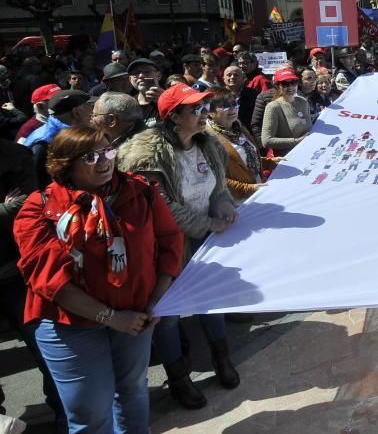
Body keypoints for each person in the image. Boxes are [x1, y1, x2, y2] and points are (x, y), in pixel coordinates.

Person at [14, 126, 184, 432]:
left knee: (132, 389)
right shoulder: (39, 209)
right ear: (65, 164)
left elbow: (170, 241)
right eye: (90, 156)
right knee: (90, 414)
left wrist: (157, 300)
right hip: (71, 325)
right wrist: (112, 317)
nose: (104, 161)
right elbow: (52, 281)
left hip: (137, 314)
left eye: (108, 150)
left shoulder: (140, 190)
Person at [116, 84, 241, 410]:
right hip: (163, 247)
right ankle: (179, 379)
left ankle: (222, 359)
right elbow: (162, 206)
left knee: (210, 302)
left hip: (203, 240)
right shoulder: (146, 155)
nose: (203, 114)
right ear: (173, 116)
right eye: (195, 109)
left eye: (204, 108)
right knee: (167, 315)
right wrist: (207, 225)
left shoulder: (207, 144)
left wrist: (224, 203)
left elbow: (218, 186)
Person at [0, 137, 63, 431]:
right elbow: (10, 210)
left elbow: (27, 208)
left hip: (17, 272)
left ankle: (66, 413)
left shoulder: (13, 153)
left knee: (48, 347)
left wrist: (10, 209)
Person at [205, 88, 269, 202]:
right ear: (209, 112)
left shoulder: (238, 126)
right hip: (236, 202)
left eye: (235, 103)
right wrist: (247, 188)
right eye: (225, 105)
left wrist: (270, 162)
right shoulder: (207, 138)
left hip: (258, 192)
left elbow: (243, 159)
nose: (232, 108)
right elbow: (213, 178)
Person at [24, 90, 95, 188]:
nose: (94, 112)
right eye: (90, 106)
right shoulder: (45, 142)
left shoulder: (59, 133)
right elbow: (37, 185)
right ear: (76, 112)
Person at [261, 68, 312, 157]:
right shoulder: (273, 107)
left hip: (308, 153)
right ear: (277, 86)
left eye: (293, 82)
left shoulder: (303, 101)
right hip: (288, 158)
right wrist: (296, 141)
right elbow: (266, 141)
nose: (290, 87)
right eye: (285, 84)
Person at [127, 58, 164, 128]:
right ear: (130, 79)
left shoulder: (173, 98)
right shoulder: (129, 105)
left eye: (147, 71)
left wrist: (166, 101)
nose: (141, 76)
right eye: (136, 73)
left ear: (159, 75)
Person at [223, 64, 258, 130]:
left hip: (249, 133)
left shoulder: (254, 94)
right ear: (224, 79)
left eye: (236, 75)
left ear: (243, 78)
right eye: (229, 75)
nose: (232, 77)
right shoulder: (217, 95)